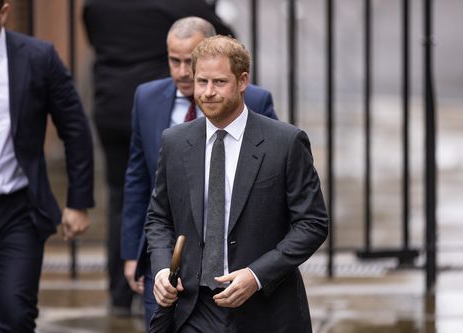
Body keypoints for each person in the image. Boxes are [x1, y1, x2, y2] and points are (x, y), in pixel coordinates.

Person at [145, 35, 328, 332]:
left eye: (219, 82)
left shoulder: (285, 142)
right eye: (201, 81)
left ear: (243, 81)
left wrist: (256, 275)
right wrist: (163, 270)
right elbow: (159, 218)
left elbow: (312, 224)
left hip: (265, 309)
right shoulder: (175, 142)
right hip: (193, 308)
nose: (207, 92)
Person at [121, 17, 277, 330]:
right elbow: (138, 179)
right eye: (173, 60)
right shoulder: (147, 99)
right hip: (169, 257)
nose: (182, 72)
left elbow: (271, 175)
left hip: (229, 259)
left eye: (189, 61)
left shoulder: (255, 100)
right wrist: (130, 253)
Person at [82, 0, 233, 315]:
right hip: (155, 105)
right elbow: (227, 42)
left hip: (111, 103)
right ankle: (158, 278)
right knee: (161, 190)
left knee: (123, 195)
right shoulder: (175, 5)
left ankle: (123, 291)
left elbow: (95, 37)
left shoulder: (96, 5)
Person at [0, 0, 94, 332]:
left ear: (3, 12)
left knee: (16, 314)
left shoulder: (37, 57)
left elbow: (75, 128)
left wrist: (78, 202)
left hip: (17, 211)